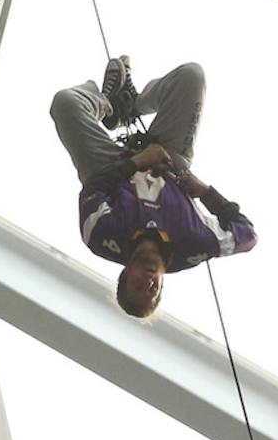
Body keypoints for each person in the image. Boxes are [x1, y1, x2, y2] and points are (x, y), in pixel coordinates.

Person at [49, 57, 257, 320]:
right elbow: (247, 235)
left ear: (125, 274)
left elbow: (94, 187)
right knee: (191, 76)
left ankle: (111, 105)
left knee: (65, 103)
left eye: (138, 286)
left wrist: (137, 162)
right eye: (153, 292)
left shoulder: (102, 237)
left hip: (111, 166)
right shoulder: (194, 244)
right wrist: (203, 191)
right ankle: (132, 103)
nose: (148, 284)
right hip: (170, 161)